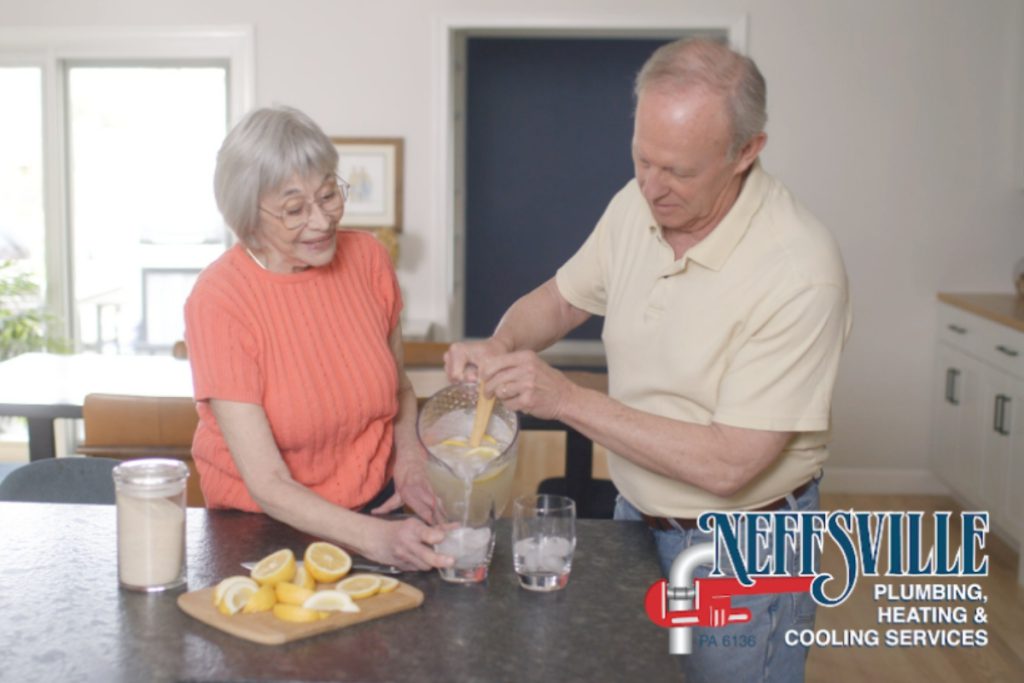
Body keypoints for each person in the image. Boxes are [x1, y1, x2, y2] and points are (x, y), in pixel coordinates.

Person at [445, 39, 851, 682]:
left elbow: (728, 465)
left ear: (747, 151)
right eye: (642, 158)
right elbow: (558, 300)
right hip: (637, 515)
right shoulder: (635, 206)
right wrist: (502, 343)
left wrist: (563, 399)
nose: (652, 186)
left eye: (679, 172)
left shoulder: (799, 272)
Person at [184, 106, 452, 572]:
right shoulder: (220, 299)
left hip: (376, 510)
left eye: (329, 195)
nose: (322, 220)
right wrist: (375, 540)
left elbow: (400, 390)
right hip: (260, 533)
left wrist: (409, 461)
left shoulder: (367, 259)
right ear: (248, 221)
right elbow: (267, 483)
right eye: (294, 210)